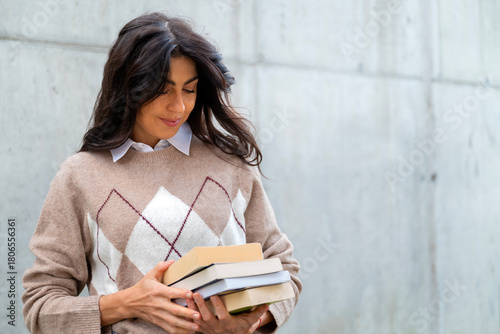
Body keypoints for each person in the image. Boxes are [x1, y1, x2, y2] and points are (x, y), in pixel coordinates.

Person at [22, 12, 302, 334]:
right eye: (163, 89)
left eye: (190, 89)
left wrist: (249, 325)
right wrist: (130, 302)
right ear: (128, 87)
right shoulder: (80, 176)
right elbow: (41, 308)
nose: (179, 107)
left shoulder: (230, 165)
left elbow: (285, 271)